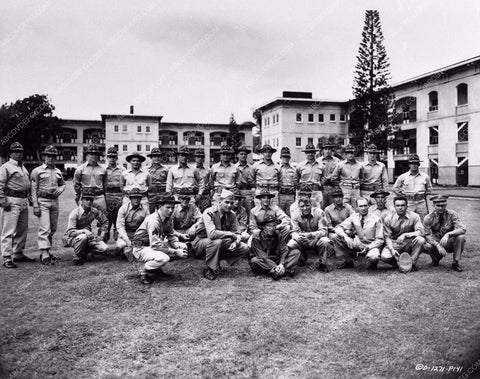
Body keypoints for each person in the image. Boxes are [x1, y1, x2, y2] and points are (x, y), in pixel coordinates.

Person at [192, 189, 250, 280]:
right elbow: (212, 234)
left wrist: (236, 242)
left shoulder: (232, 215)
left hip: (217, 242)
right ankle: (209, 268)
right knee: (216, 241)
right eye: (226, 202)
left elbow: (238, 233)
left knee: (244, 248)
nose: (229, 205)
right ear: (220, 201)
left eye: (231, 203)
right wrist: (230, 234)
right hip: (201, 243)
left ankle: (217, 261)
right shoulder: (209, 212)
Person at [131, 194, 188, 284]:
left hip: (151, 244)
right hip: (140, 247)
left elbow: (171, 233)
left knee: (183, 246)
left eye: (173, 208)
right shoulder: (153, 220)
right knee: (164, 258)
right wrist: (175, 251)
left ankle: (155, 268)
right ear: (160, 207)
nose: (171, 210)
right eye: (168, 207)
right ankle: (143, 270)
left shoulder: (167, 218)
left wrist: (177, 245)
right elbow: (155, 245)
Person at [30, 145, 66, 265]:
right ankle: (44, 253)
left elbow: (63, 184)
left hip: (54, 201)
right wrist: (35, 205)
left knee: (53, 228)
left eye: (53, 156)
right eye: (48, 156)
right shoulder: (37, 171)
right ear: (44, 156)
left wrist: (60, 190)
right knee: (44, 228)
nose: (51, 158)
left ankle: (47, 251)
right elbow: (33, 189)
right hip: (42, 201)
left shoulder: (58, 171)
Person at [370, 196, 425, 272]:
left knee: (420, 240)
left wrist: (405, 235)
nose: (400, 208)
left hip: (408, 242)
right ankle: (399, 263)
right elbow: (387, 237)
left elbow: (421, 232)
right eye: (398, 205)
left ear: (406, 206)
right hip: (395, 243)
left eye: (403, 205)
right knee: (384, 257)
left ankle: (412, 263)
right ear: (394, 207)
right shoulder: (388, 219)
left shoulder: (414, 216)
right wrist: (392, 250)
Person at [0, 142, 33, 268]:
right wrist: (2, 200)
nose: (19, 154)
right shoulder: (6, 167)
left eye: (21, 151)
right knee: (8, 230)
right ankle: (7, 257)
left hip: (23, 199)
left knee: (22, 229)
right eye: (16, 151)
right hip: (11, 200)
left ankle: (18, 253)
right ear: (10, 153)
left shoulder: (22, 168)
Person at [332, 197, 384, 269]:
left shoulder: (376, 219)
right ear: (356, 207)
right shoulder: (354, 217)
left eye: (365, 205)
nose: (363, 208)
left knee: (373, 256)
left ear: (368, 206)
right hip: (358, 243)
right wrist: (345, 237)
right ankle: (348, 261)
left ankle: (372, 262)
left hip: (371, 245)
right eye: (361, 206)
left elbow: (380, 240)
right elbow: (338, 228)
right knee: (335, 236)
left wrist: (369, 247)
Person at [63, 187, 111, 266]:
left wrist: (102, 235)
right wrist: (84, 231)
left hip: (88, 237)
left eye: (91, 200)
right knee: (83, 237)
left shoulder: (93, 211)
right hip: (73, 238)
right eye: (86, 199)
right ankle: (77, 256)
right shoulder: (75, 213)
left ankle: (85, 251)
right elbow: (70, 232)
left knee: (104, 248)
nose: (89, 202)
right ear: (82, 200)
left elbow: (105, 221)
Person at [249, 215, 301, 280]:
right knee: (254, 261)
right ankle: (280, 271)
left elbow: (284, 250)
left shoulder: (278, 234)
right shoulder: (256, 237)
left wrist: (281, 263)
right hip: (264, 261)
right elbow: (262, 256)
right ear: (263, 227)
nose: (272, 228)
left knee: (296, 252)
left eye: (274, 225)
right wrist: (276, 267)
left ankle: (276, 271)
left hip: (275, 259)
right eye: (269, 226)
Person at [423, 195, 466, 272]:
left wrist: (448, 234)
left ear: (446, 205)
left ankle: (455, 263)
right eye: (438, 205)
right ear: (433, 205)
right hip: (436, 243)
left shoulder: (452, 214)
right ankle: (435, 260)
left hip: (448, 242)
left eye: (442, 205)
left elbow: (462, 229)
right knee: (426, 245)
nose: (440, 208)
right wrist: (437, 245)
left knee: (461, 237)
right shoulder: (428, 218)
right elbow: (427, 235)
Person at [287, 195, 331, 271]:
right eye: (302, 206)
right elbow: (293, 231)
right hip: (302, 240)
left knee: (325, 241)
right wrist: (298, 237)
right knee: (291, 243)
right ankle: (301, 258)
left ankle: (323, 263)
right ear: (299, 207)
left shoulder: (319, 212)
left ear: (311, 204)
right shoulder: (295, 214)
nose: (305, 208)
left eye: (307, 205)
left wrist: (311, 235)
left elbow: (324, 231)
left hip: (315, 239)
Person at [392, 153, 433, 221]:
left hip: (421, 203)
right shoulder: (403, 177)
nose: (414, 165)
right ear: (409, 165)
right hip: (409, 202)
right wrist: (403, 196)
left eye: (416, 163)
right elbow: (395, 188)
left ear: (419, 164)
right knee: (408, 221)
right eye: (412, 163)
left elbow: (429, 189)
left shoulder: (425, 177)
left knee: (423, 221)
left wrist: (421, 195)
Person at [115, 188, 149, 261]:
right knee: (121, 245)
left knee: (148, 242)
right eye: (134, 197)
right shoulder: (123, 209)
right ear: (130, 198)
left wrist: (139, 237)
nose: (136, 199)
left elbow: (147, 225)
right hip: (126, 233)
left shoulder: (145, 209)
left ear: (141, 199)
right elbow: (120, 227)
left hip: (138, 234)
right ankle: (124, 251)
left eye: (138, 197)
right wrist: (127, 240)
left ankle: (133, 251)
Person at [73, 144, 107, 213]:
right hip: (86, 197)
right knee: (84, 219)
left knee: (102, 219)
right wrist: (80, 196)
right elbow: (76, 184)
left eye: (96, 154)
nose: (94, 156)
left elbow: (105, 185)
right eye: (91, 154)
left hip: (99, 197)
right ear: (87, 155)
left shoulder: (103, 169)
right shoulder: (80, 169)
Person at [105, 147, 125, 242]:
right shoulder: (103, 169)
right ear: (107, 157)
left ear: (117, 158)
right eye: (110, 157)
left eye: (114, 157)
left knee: (118, 220)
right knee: (105, 220)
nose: (112, 159)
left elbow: (125, 184)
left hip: (118, 196)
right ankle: (103, 243)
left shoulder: (122, 170)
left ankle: (119, 244)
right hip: (106, 196)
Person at [318, 141, 340, 208]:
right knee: (322, 207)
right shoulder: (318, 161)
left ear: (332, 150)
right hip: (322, 188)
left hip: (333, 187)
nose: (328, 151)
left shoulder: (337, 161)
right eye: (326, 149)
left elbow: (339, 174)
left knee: (333, 208)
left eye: (329, 149)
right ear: (322, 151)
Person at [147, 147, 169, 214]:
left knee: (163, 214)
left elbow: (169, 182)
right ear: (151, 158)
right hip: (151, 195)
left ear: (161, 158)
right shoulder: (146, 170)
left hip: (162, 195)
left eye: (158, 156)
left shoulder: (166, 169)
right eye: (154, 156)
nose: (157, 158)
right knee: (151, 214)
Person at [235, 144, 255, 217]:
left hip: (247, 191)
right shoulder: (234, 167)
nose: (243, 156)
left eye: (245, 154)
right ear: (237, 155)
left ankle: (250, 227)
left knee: (249, 212)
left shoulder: (251, 168)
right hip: (237, 191)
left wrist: (252, 193)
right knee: (237, 212)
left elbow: (253, 182)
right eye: (241, 154)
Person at [278, 147, 298, 216]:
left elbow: (296, 182)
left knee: (291, 213)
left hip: (290, 195)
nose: (286, 158)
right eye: (284, 156)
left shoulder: (293, 169)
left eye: (287, 157)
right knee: (280, 214)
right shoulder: (278, 169)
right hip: (281, 195)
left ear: (289, 158)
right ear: (281, 157)